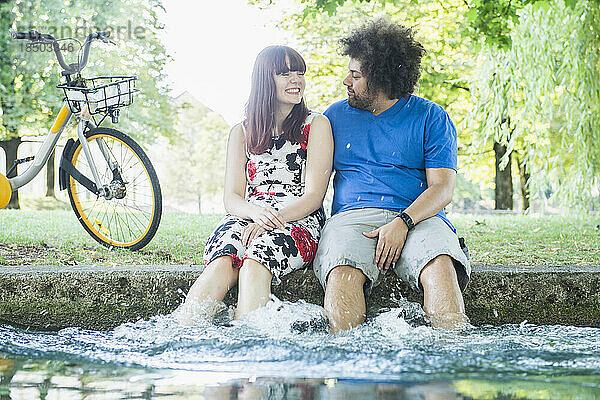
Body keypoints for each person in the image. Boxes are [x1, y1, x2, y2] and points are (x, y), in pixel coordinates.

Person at [313, 18, 470, 333]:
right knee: (342, 272)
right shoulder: (332, 118)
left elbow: (442, 188)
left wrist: (403, 222)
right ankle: (350, 367)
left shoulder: (431, 117)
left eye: (356, 75)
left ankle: (449, 360)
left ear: (381, 80)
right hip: (352, 218)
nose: (346, 80)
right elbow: (311, 185)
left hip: (418, 217)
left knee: (440, 265)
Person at [178, 45, 333, 321]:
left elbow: (314, 197)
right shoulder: (241, 131)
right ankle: (181, 335)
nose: (296, 79)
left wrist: (270, 220)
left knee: (254, 261)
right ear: (264, 80)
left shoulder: (316, 125)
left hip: (297, 219)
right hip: (248, 215)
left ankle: (246, 345)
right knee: (224, 259)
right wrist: (256, 214)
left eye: (299, 72)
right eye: (285, 73)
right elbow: (233, 197)